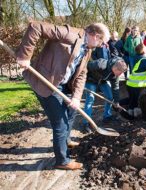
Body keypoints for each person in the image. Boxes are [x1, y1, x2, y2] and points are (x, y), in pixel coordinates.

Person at [16, 21, 110, 170]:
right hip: (47, 82)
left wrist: (76, 97)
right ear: (95, 36)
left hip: (64, 84)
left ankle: (66, 141)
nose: (101, 45)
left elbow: (82, 74)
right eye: (102, 41)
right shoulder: (69, 34)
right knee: (60, 122)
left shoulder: (88, 49)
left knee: (72, 110)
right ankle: (62, 161)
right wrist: (25, 55)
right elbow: (36, 27)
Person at [82, 57, 127, 132]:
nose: (120, 75)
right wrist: (81, 80)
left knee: (110, 97)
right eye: (120, 73)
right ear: (115, 68)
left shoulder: (115, 75)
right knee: (90, 99)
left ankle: (107, 116)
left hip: (102, 81)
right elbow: (85, 66)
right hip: (90, 80)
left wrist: (116, 101)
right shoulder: (100, 64)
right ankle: (86, 123)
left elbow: (115, 87)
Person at [126, 43, 146, 117]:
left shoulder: (136, 57)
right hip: (136, 85)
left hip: (130, 83)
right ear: (143, 50)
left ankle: (130, 116)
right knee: (136, 102)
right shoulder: (144, 60)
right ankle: (135, 116)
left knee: (132, 101)